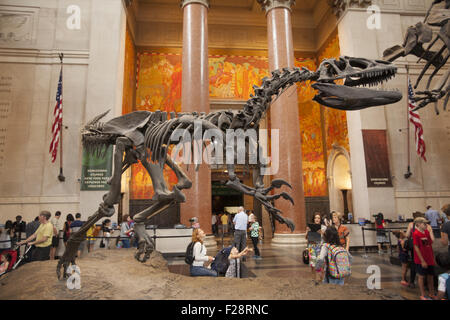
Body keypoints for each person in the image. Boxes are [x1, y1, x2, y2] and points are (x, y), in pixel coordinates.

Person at [413, 217, 436, 300]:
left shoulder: (426, 232)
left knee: (431, 276)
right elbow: (416, 247)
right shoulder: (416, 234)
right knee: (421, 276)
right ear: (418, 224)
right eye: (424, 224)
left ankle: (431, 293)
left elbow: (430, 242)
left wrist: (431, 232)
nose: (426, 225)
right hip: (421, 259)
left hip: (429, 258)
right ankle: (422, 294)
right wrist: (422, 260)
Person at [405, 211, 425, 288]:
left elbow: (407, 235)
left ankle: (412, 281)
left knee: (414, 263)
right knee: (424, 262)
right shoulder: (426, 225)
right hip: (424, 245)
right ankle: (425, 282)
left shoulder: (411, 224)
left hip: (415, 246)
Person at [306, 213, 324, 285]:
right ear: (314, 219)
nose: (317, 219)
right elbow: (306, 237)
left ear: (320, 219)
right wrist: (307, 231)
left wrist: (322, 232)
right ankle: (313, 278)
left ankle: (321, 279)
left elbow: (326, 238)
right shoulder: (310, 226)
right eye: (316, 218)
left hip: (320, 247)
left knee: (319, 263)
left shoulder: (323, 227)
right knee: (312, 264)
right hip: (312, 247)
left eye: (318, 218)